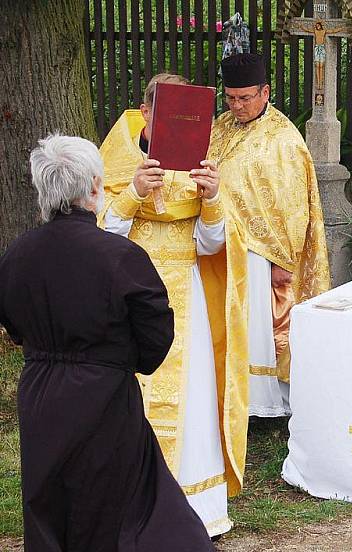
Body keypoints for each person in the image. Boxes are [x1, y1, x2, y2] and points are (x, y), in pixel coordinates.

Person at [0, 134, 213, 551]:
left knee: (49, 500)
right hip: (104, 394)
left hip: (40, 392)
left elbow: (12, 319)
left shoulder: (17, 254)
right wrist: (118, 362)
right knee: (117, 504)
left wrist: (44, 352)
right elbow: (155, 331)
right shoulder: (119, 256)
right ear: (95, 186)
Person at [98, 73, 236, 537]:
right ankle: (127, 505)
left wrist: (213, 198)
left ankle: (193, 508)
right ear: (146, 111)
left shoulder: (203, 160)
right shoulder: (117, 155)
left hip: (186, 292)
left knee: (191, 395)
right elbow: (99, 238)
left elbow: (213, 244)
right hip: (130, 292)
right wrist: (133, 193)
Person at [200, 52, 330, 419]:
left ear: (265, 92)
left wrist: (284, 261)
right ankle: (227, 393)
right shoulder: (220, 126)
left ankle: (262, 404)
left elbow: (293, 206)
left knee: (257, 326)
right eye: (230, 98)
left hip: (260, 254)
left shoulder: (284, 138)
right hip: (218, 241)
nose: (237, 106)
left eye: (244, 98)